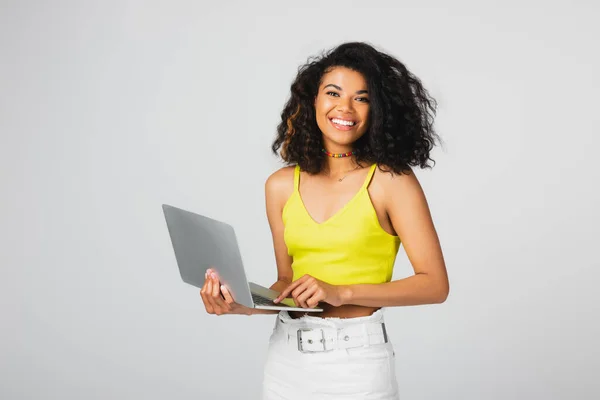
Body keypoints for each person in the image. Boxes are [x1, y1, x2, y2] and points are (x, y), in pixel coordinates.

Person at [200, 42, 449, 399]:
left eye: (361, 98)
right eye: (333, 93)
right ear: (312, 101)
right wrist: (242, 305)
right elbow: (287, 283)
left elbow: (435, 285)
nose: (344, 107)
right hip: (287, 361)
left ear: (377, 110)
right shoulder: (281, 186)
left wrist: (340, 292)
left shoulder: (391, 181)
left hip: (356, 363)